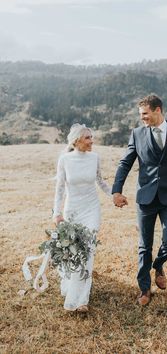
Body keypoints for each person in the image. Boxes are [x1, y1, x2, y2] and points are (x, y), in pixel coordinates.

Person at [112, 94, 167, 306]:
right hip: (145, 198)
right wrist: (116, 190)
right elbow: (125, 163)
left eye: (145, 114)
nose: (142, 119)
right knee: (144, 246)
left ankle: (158, 265)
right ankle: (144, 289)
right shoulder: (137, 134)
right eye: (141, 115)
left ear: (158, 110)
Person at [53, 123, 111, 312]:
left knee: (88, 249)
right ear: (77, 140)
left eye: (91, 137)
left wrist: (115, 195)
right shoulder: (65, 160)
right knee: (74, 250)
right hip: (72, 210)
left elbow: (101, 181)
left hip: (92, 209)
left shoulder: (95, 157)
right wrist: (57, 213)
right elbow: (60, 188)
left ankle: (81, 300)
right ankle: (71, 283)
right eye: (87, 138)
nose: (91, 141)